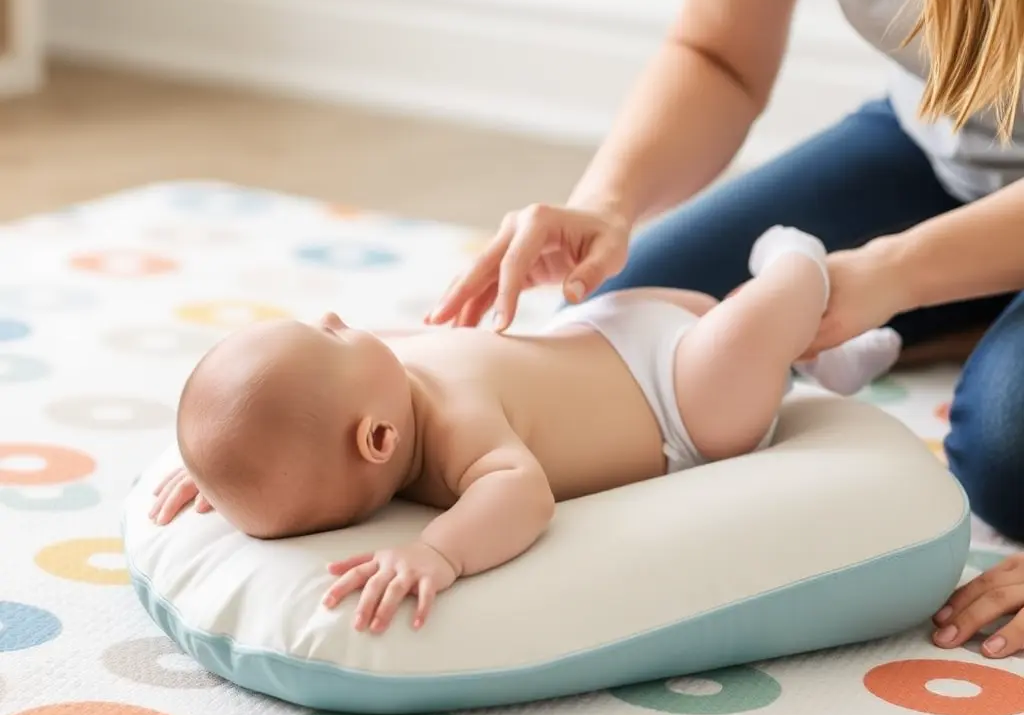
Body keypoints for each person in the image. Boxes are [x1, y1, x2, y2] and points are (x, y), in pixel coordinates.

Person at [427, 0, 1024, 659]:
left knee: (1007, 456)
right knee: (622, 333)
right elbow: (719, 54)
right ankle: (979, 301)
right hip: (936, 156)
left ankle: (964, 304)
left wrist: (897, 272)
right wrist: (610, 200)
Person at [149, 227, 899, 634]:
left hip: (600, 332)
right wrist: (437, 551)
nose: (341, 319)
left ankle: (825, 358)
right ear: (377, 441)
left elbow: (297, 400)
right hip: (678, 402)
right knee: (749, 326)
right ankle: (804, 270)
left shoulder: (390, 377)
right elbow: (522, 493)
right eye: (335, 339)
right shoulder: (453, 433)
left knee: (657, 299)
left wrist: (232, 458)